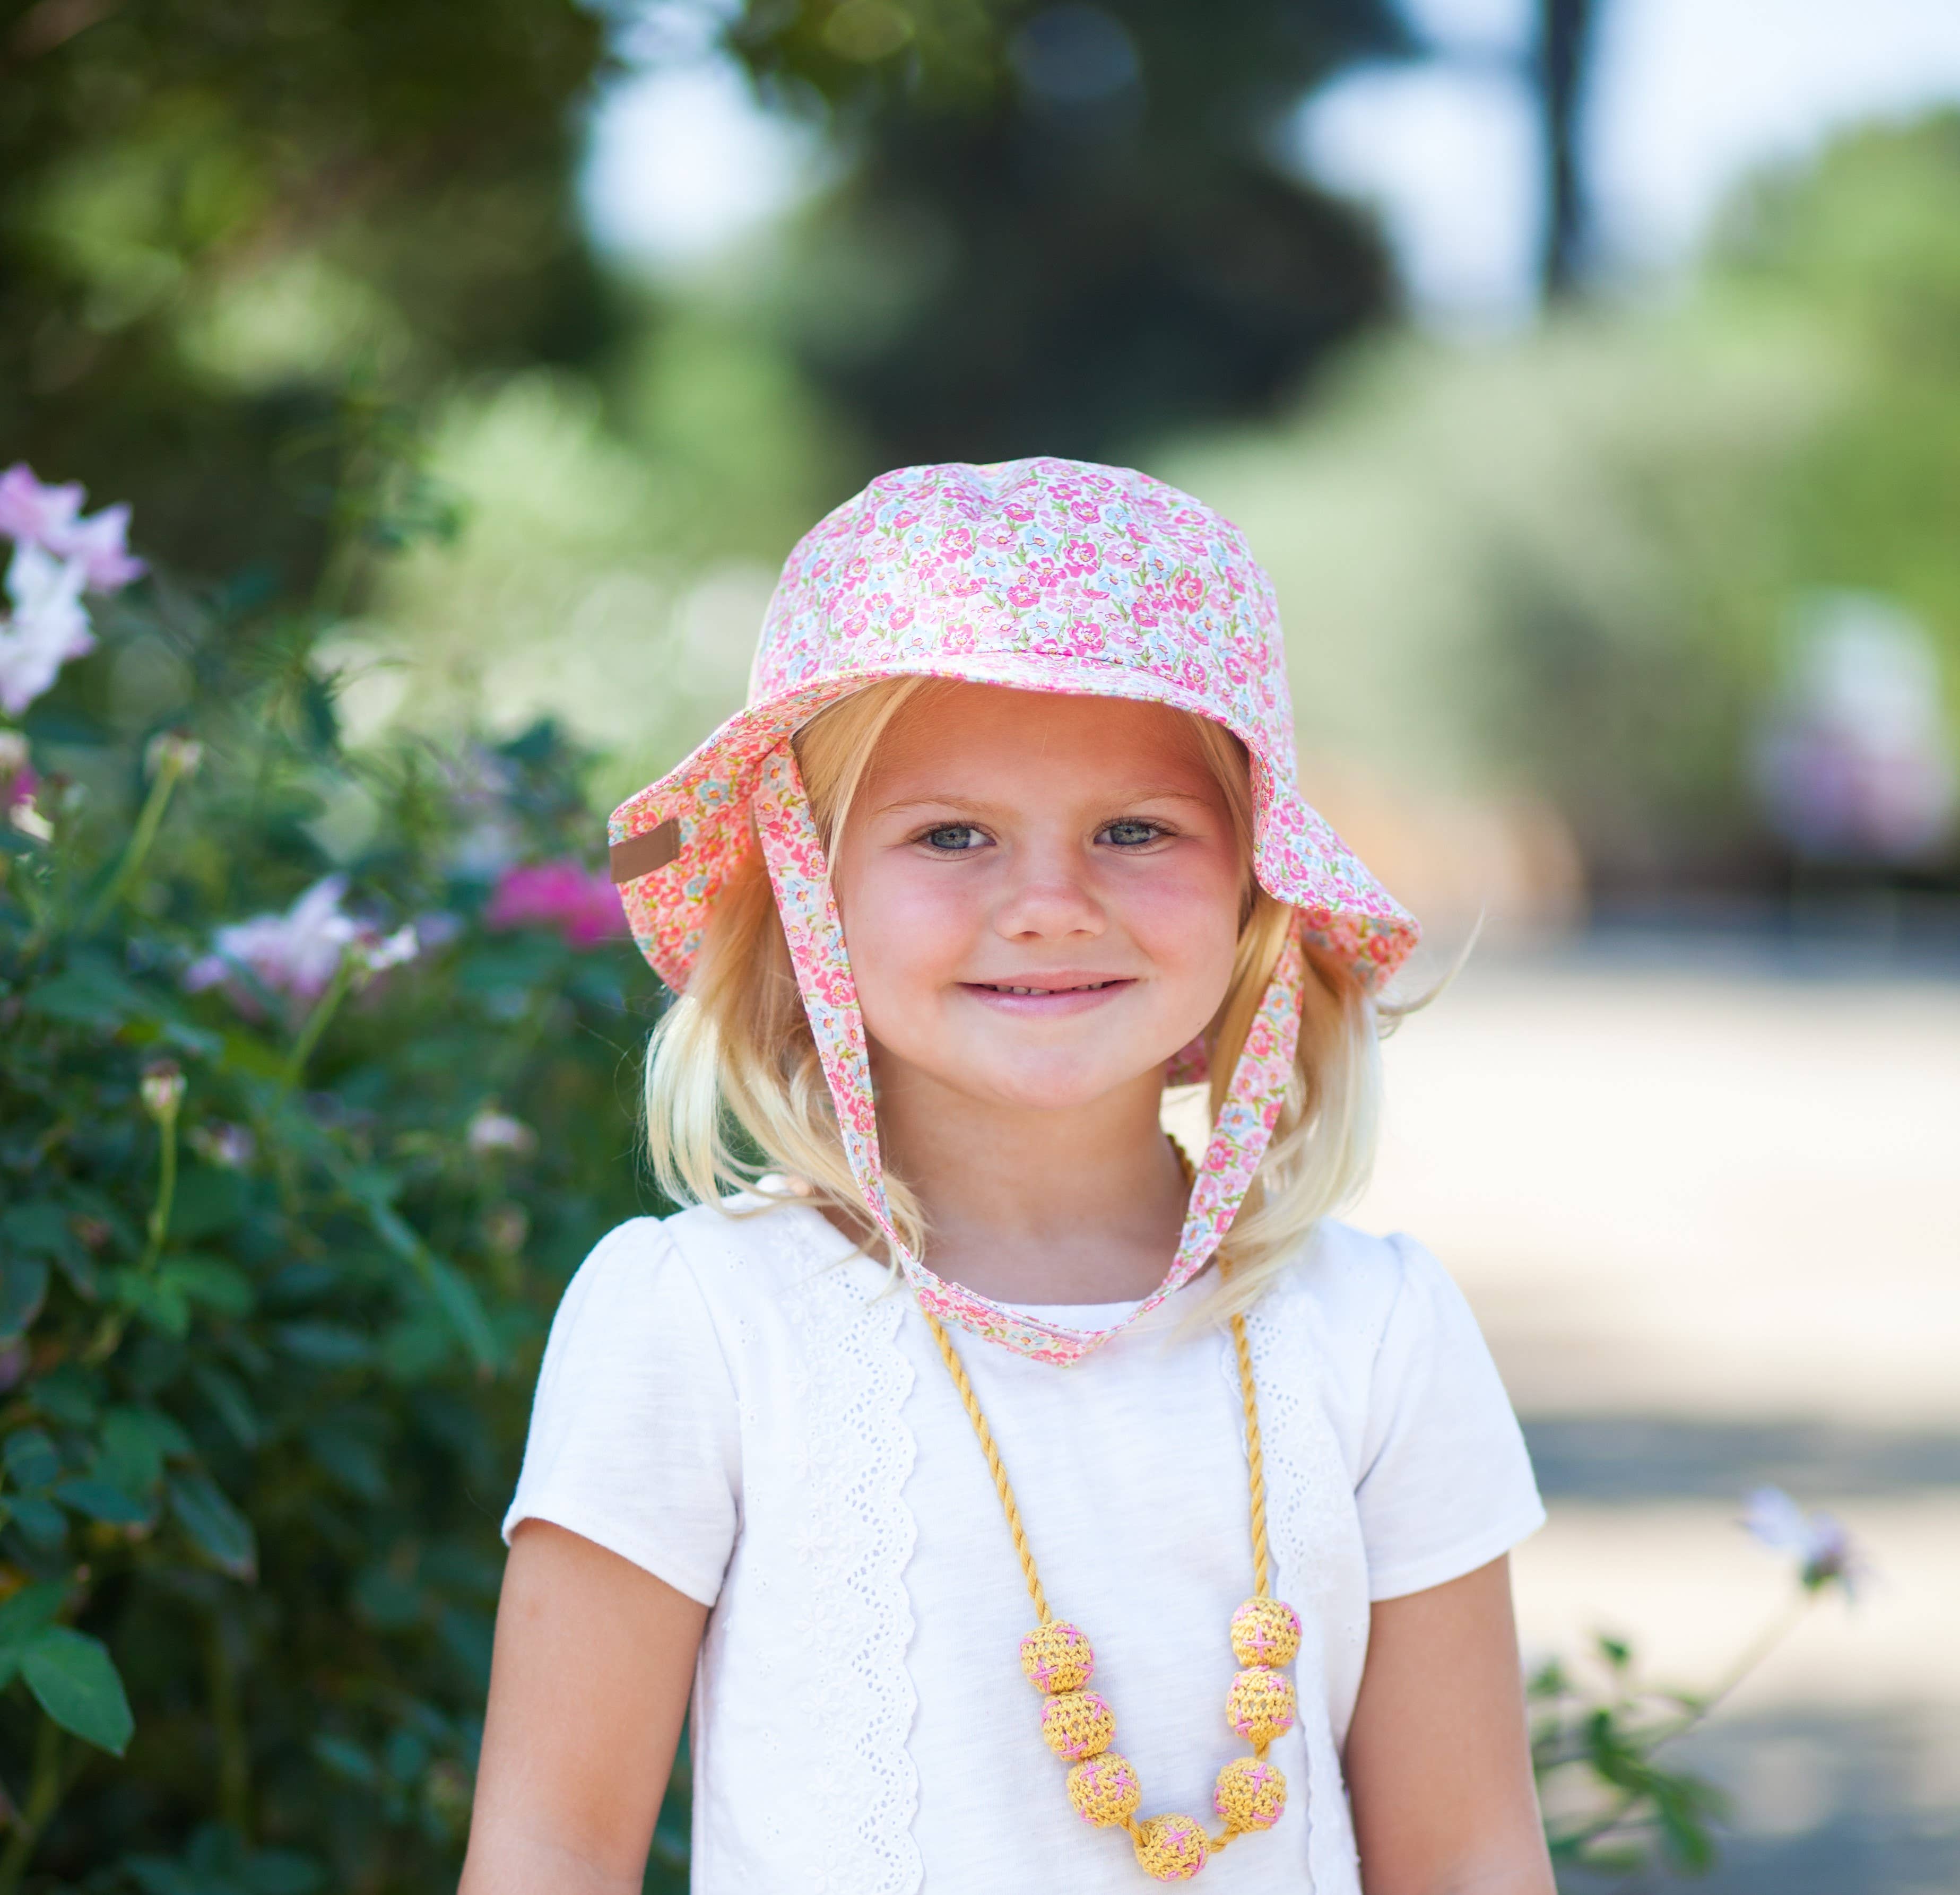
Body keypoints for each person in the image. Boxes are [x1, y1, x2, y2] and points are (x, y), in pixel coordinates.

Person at [459, 458, 1553, 1894]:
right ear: (808, 886)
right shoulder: (699, 1322)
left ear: (1254, 883)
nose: (1048, 904)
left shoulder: (1377, 1331)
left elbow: (1469, 1855)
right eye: (952, 834)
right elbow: (551, 1850)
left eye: (1136, 830)